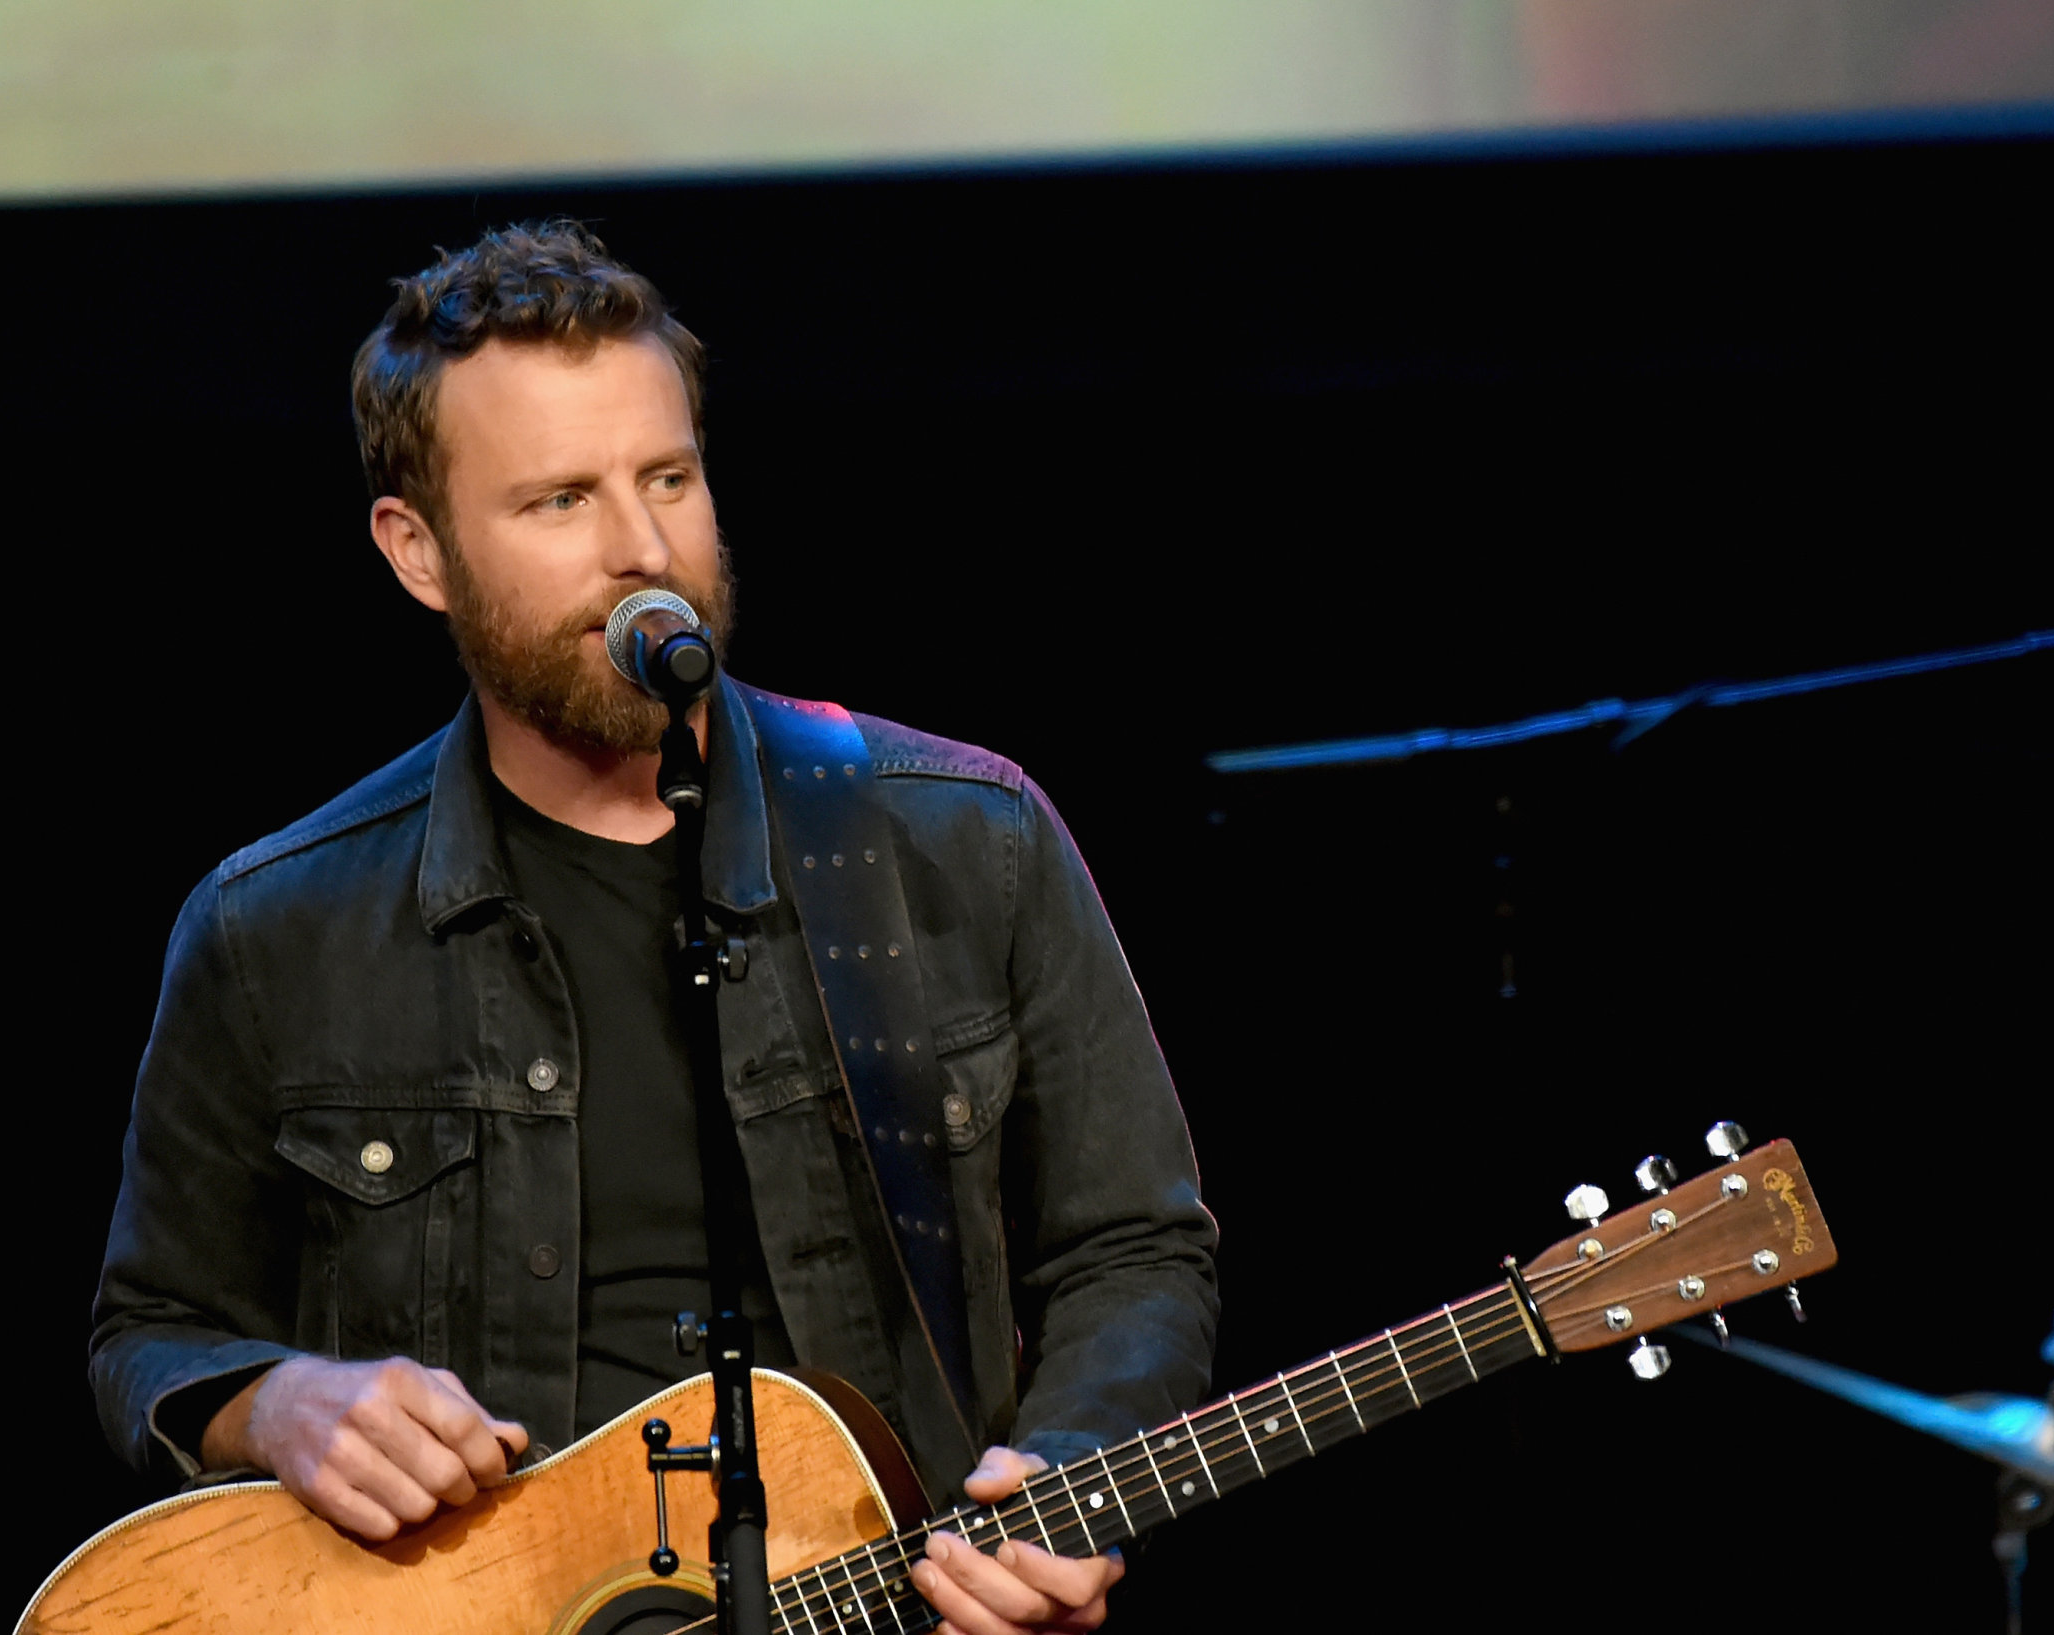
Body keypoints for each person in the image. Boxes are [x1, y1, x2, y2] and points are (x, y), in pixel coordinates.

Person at [91, 221, 1217, 1634]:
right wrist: (278, 1404)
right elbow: (147, 1334)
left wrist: (1062, 1483)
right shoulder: (277, 927)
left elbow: (1136, 1251)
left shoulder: (962, 842)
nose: (643, 549)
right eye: (559, 501)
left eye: (668, 478)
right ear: (419, 552)